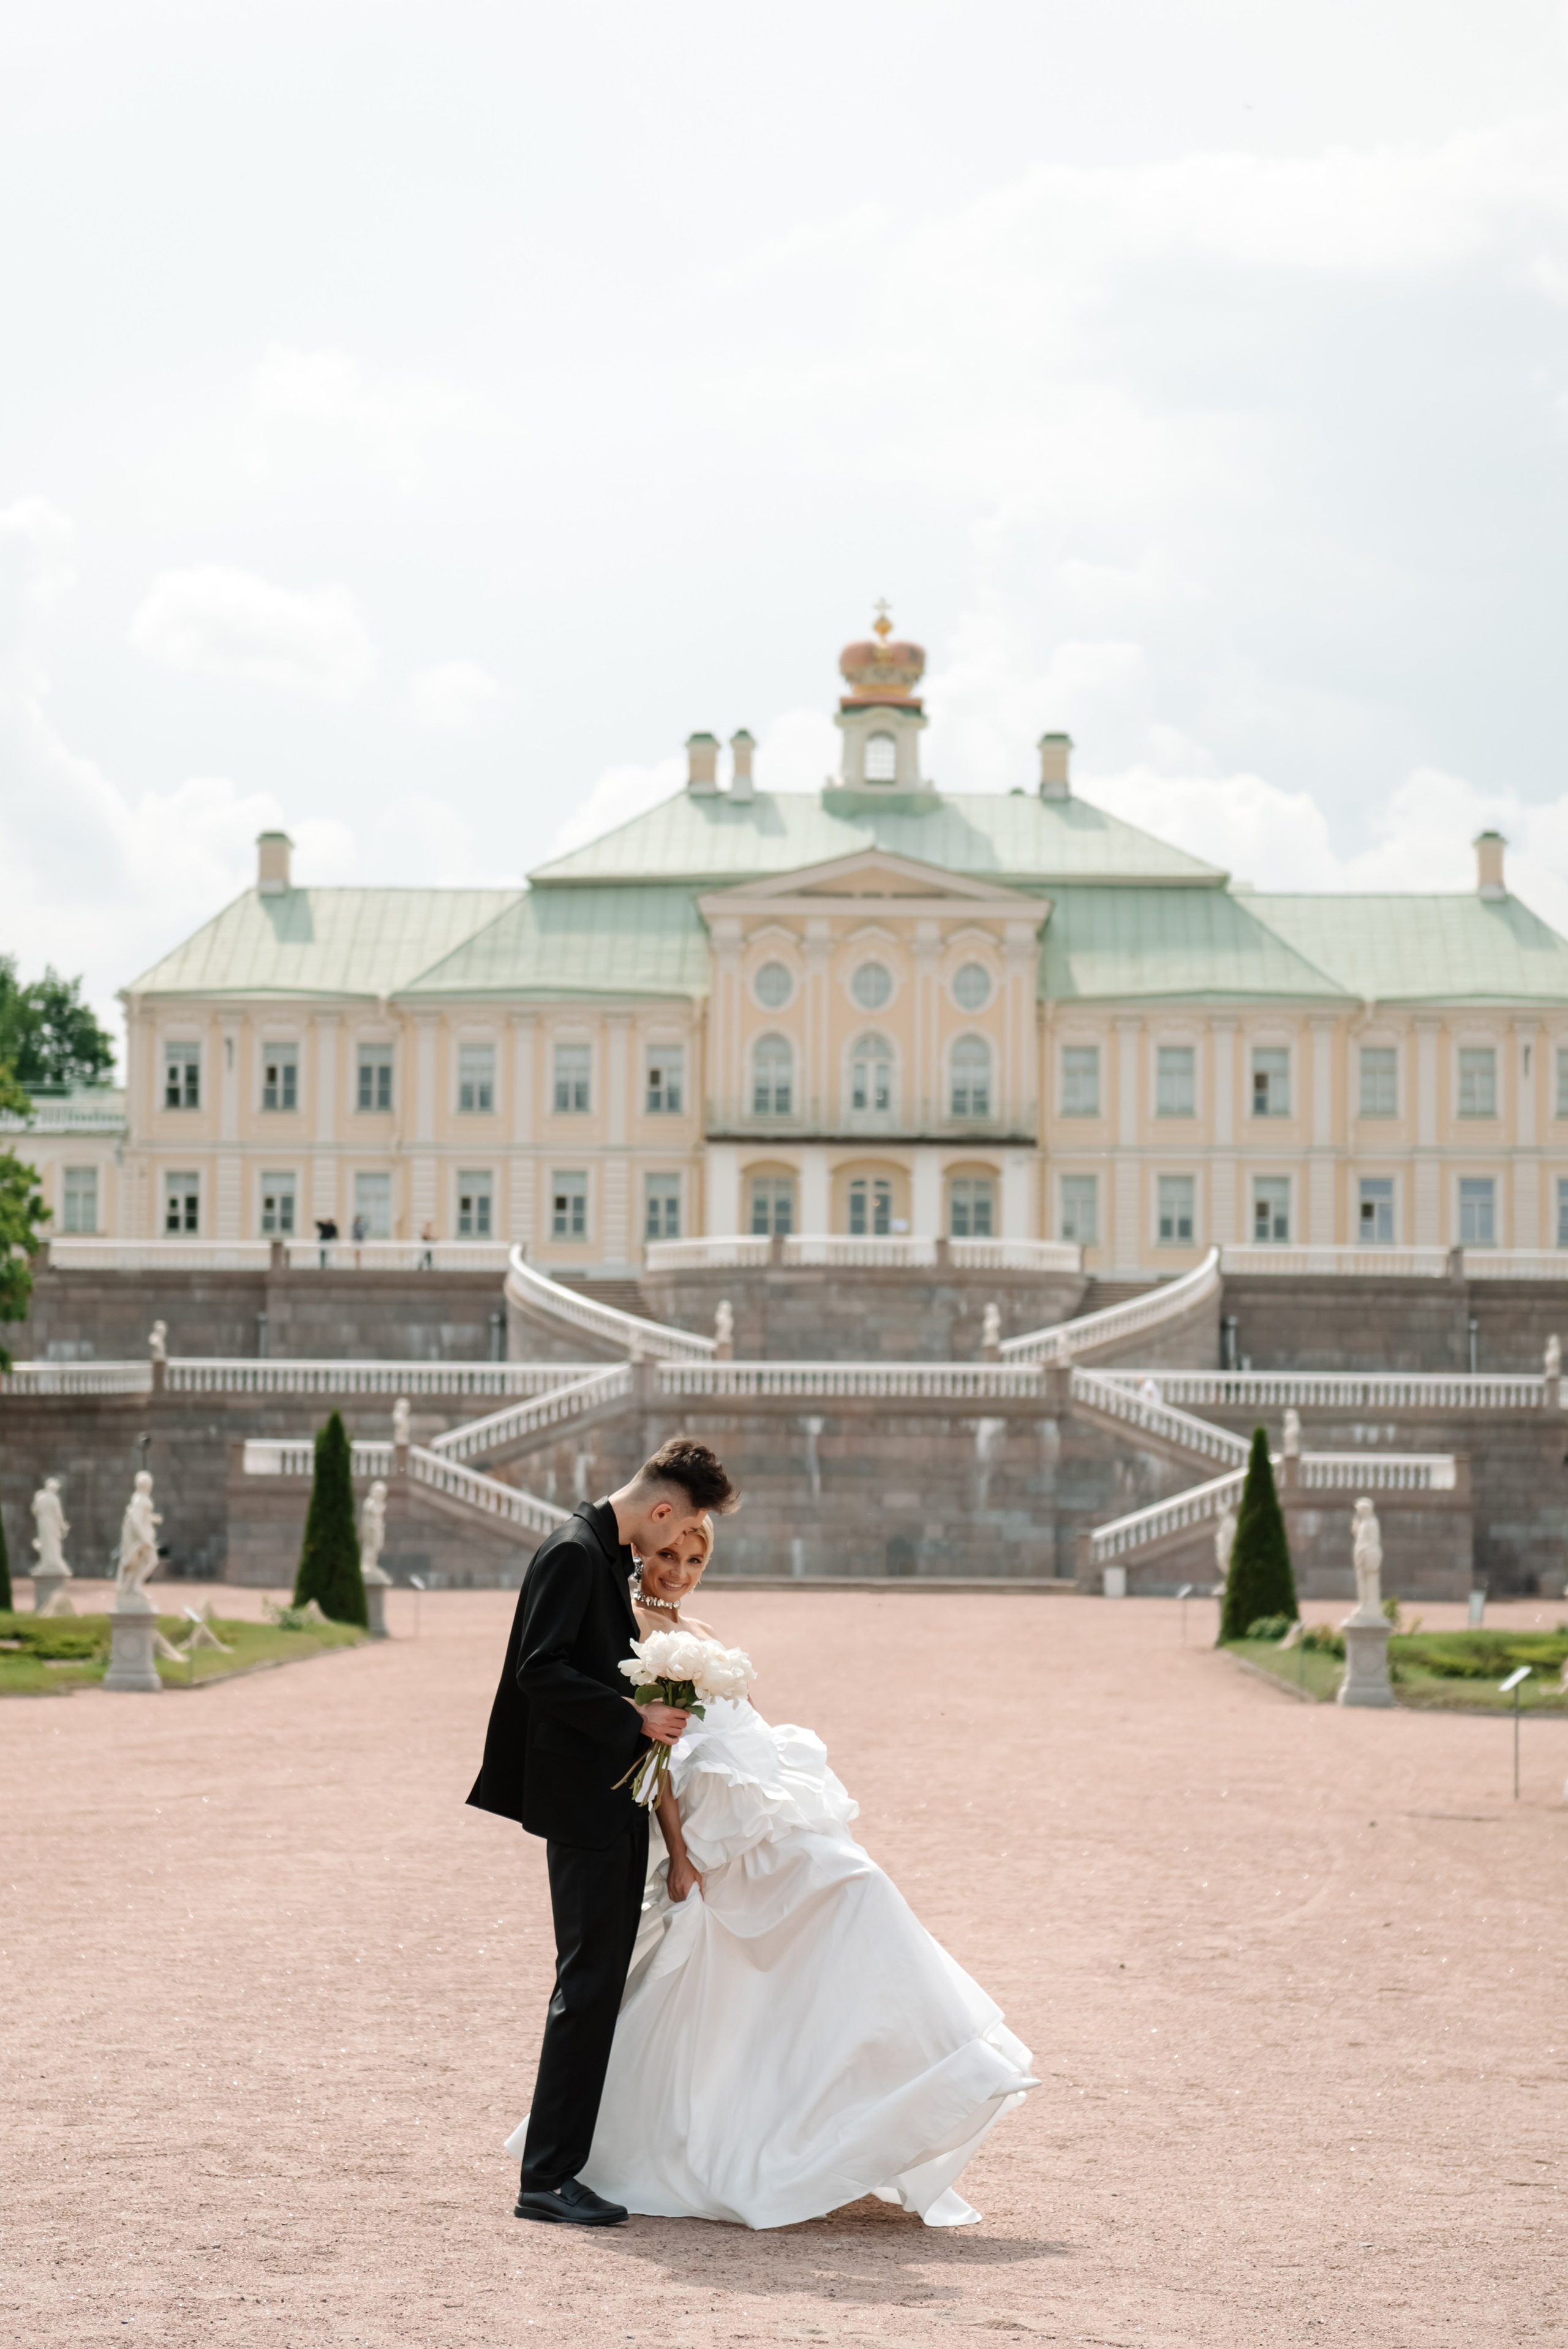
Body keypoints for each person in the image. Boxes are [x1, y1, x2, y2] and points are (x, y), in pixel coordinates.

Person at [501, 1518, 1039, 2231]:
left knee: (835, 1921)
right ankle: (915, 2081)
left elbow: (749, 1718)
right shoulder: (626, 1622)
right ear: (643, 1552)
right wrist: (681, 1854)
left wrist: (790, 1787)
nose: (679, 1570)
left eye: (694, 1559)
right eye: (667, 1555)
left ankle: (886, 2095)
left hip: (760, 1804)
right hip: (714, 1823)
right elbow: (654, 1757)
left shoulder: (700, 1623)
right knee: (847, 1898)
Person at [469, 1437, 739, 2230]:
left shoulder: (598, 1553)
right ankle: (546, 2177)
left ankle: (561, 2167)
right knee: (585, 1987)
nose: (673, 1548)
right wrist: (635, 1715)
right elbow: (538, 1668)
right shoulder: (573, 1552)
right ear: (664, 1509)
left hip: (607, 1795)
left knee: (596, 1984)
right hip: (583, 1800)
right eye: (679, 1528)